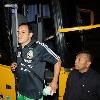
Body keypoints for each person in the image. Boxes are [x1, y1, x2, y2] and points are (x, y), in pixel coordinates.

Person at [11, 23, 61, 100]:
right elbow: (17, 60)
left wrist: (54, 81)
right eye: (18, 32)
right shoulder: (19, 48)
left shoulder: (39, 47)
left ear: (30, 34)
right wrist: (14, 64)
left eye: (23, 32)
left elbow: (57, 60)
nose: (19, 35)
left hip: (34, 94)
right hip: (20, 91)